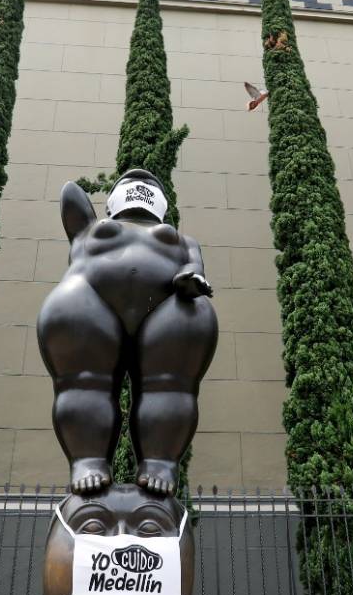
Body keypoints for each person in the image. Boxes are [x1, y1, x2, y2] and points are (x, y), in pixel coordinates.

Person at [37, 169, 218, 496]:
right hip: (89, 296)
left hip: (168, 308)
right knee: (84, 381)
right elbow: (71, 201)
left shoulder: (183, 241)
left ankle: (160, 461)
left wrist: (190, 279)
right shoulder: (91, 229)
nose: (144, 182)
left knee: (170, 385)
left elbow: (194, 267)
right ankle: (88, 458)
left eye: (152, 184)